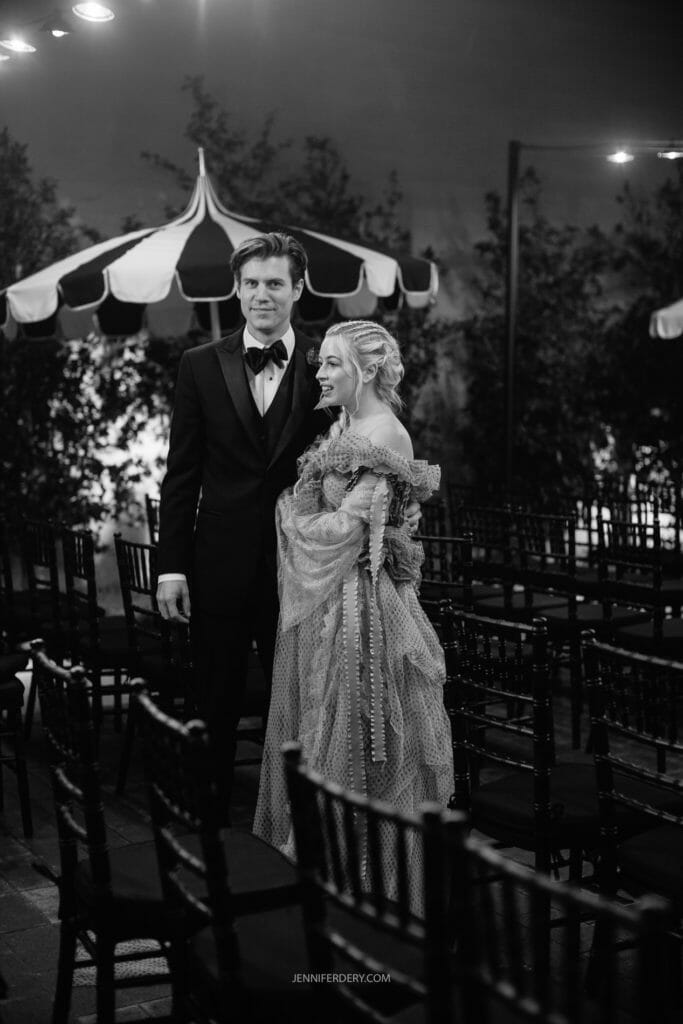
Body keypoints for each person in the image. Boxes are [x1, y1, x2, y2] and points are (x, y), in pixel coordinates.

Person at [253, 320, 453, 904]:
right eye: (320, 365)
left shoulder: (386, 432)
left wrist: (292, 516)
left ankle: (367, 876)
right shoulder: (346, 424)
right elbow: (323, 499)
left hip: (363, 607)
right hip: (332, 602)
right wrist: (303, 500)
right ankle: (327, 858)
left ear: (365, 370)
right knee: (320, 725)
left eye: (331, 364)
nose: (319, 373)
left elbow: (343, 530)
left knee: (366, 736)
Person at [155, 232, 331, 805]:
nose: (262, 295)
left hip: (301, 571)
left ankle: (300, 829)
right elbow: (181, 475)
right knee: (216, 703)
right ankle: (208, 835)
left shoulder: (326, 366)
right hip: (219, 567)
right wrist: (171, 568)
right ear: (237, 290)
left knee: (305, 705)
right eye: (251, 283)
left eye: (275, 283)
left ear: (297, 288)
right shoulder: (199, 365)